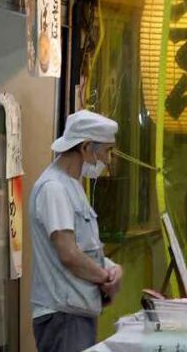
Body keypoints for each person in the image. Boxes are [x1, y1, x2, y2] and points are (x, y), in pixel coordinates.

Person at [30, 110, 123, 352]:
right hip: (63, 316)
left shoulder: (73, 186)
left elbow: (85, 249)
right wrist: (105, 278)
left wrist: (112, 269)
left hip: (76, 312)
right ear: (86, 147)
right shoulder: (54, 188)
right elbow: (69, 254)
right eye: (106, 151)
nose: (108, 160)